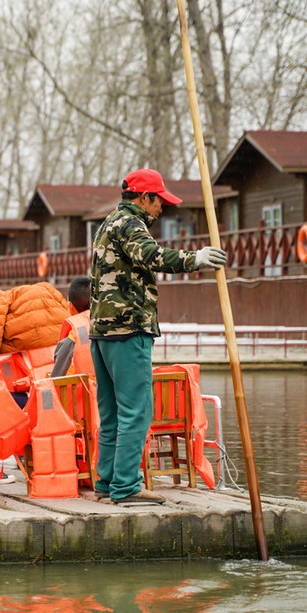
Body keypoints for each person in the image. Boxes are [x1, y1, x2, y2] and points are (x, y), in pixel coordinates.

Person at [90, 168, 226, 505]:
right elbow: (152, 256)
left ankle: (107, 482)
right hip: (128, 328)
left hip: (102, 331)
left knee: (111, 413)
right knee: (137, 410)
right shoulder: (131, 225)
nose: (161, 208)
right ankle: (126, 487)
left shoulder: (109, 222)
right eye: (159, 200)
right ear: (143, 197)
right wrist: (196, 258)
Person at [50, 276, 93, 378]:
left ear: (70, 306)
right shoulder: (112, 328)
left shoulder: (70, 341)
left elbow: (56, 380)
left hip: (84, 393)